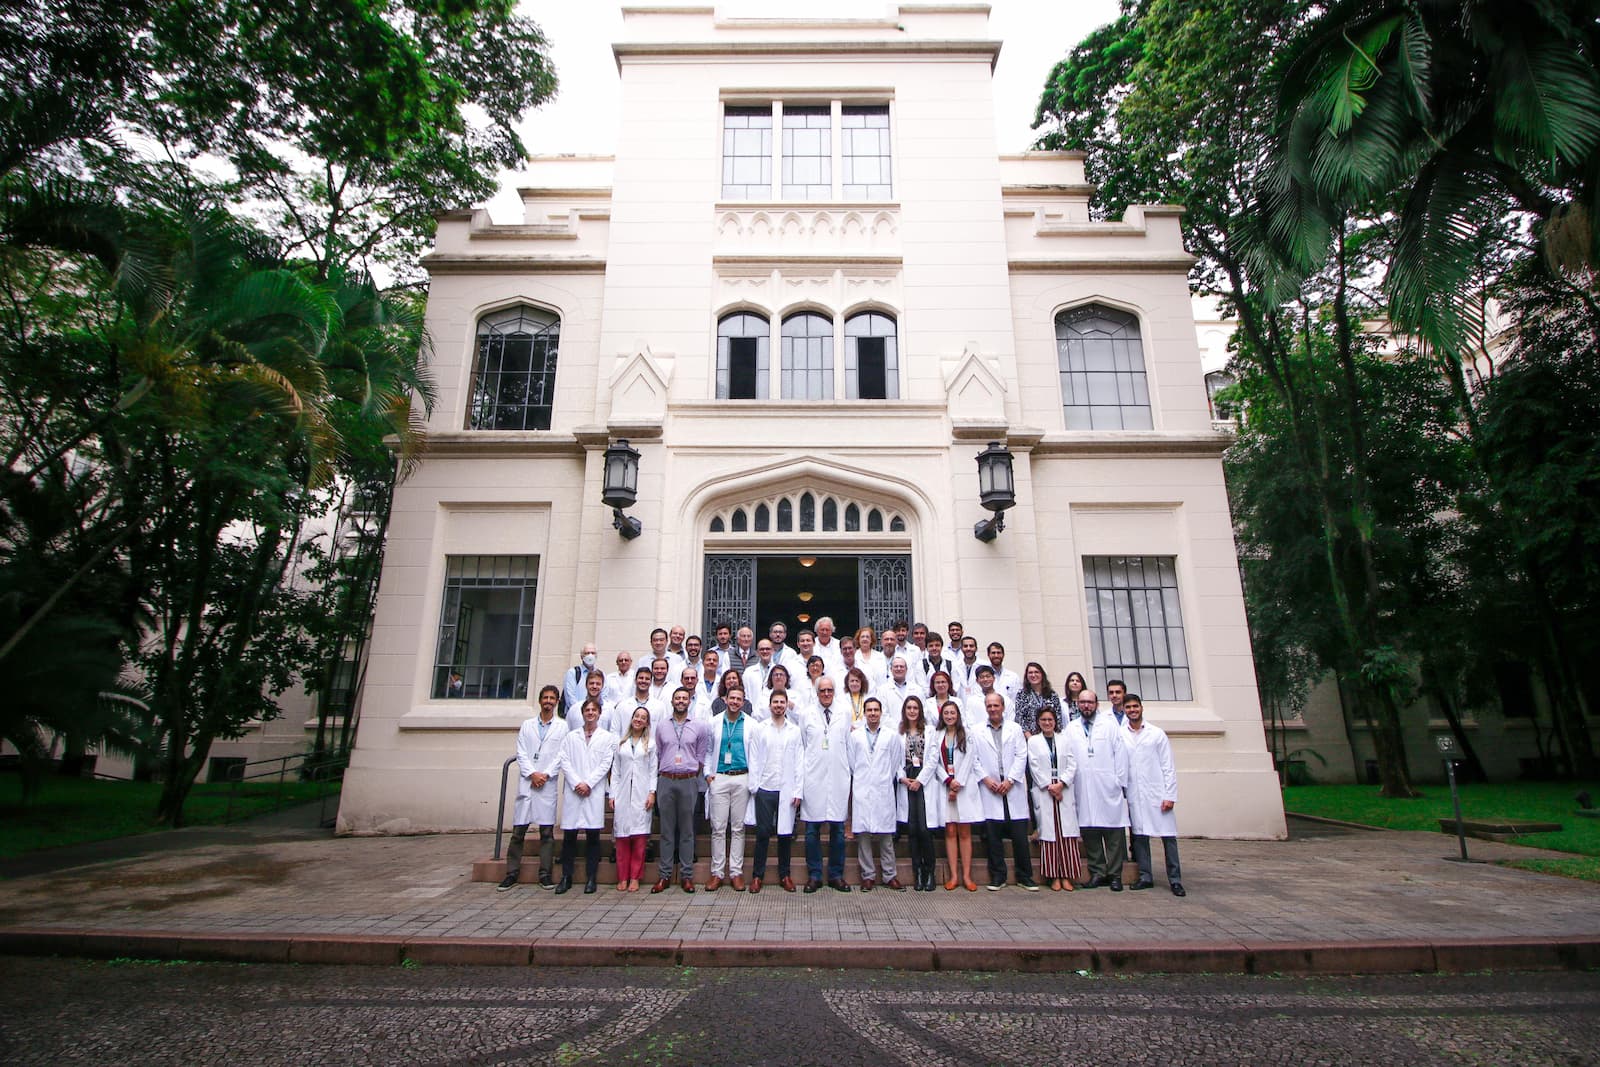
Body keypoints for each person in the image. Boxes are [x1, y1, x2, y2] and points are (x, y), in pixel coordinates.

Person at [499, 685, 568, 891]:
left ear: (556, 702)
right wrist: (532, 774)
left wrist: (545, 774)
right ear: (540, 701)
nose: (548, 701)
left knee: (546, 832)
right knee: (518, 831)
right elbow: (521, 752)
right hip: (528, 781)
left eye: (552, 698)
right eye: (545, 697)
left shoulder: (562, 727)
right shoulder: (527, 725)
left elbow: (561, 755)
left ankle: (545, 873)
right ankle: (511, 872)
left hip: (547, 782)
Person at [1123, 694, 1185, 896]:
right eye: (1128, 707)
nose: (1132, 710)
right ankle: (1145, 876)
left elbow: (1168, 766)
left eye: (1135, 706)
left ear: (1141, 708)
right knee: (1140, 837)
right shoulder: (1120, 734)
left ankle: (1175, 879)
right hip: (1135, 793)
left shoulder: (1157, 734)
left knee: (1168, 838)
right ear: (1124, 710)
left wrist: (1170, 795)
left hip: (1157, 793)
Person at [1067, 689, 1130, 891]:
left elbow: (1120, 754)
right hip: (1083, 785)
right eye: (1083, 702)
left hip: (1108, 784)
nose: (1086, 706)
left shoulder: (1109, 726)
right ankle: (1097, 872)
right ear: (1078, 704)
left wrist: (1118, 781)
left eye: (1090, 702)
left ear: (1096, 704)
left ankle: (1115, 874)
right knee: (1090, 830)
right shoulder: (1072, 728)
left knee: (1113, 833)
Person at [974, 691, 1036, 891]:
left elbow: (1021, 755)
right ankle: (998, 876)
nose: (993, 709)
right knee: (993, 836)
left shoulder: (1015, 729)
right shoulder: (977, 731)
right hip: (990, 785)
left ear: (1003, 707)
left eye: (996, 705)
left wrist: (1010, 780)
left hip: (1012, 785)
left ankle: (1024, 876)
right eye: (989, 706)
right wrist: (986, 779)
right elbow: (974, 759)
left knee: (1019, 836)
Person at [555, 698, 617, 894]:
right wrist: (576, 782)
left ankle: (591, 878)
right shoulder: (571, 737)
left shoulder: (606, 737)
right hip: (575, 790)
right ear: (582, 713)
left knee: (593, 836)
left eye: (594, 710)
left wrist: (589, 783)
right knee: (570, 836)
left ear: (599, 713)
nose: (590, 713)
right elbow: (564, 759)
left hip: (593, 790)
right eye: (587, 710)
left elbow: (606, 762)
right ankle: (566, 877)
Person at [653, 686, 709, 894]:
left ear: (689, 702)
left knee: (687, 830)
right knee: (666, 830)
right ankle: (664, 875)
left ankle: (686, 876)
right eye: (677, 698)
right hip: (666, 780)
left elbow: (701, 756)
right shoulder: (661, 726)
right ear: (672, 701)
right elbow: (658, 752)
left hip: (688, 780)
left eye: (684, 698)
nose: (681, 701)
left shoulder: (699, 726)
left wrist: (692, 772)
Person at [747, 690, 804, 893]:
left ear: (787, 704)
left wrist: (798, 790)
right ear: (770, 705)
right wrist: (754, 786)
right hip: (765, 787)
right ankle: (757, 876)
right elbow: (753, 758)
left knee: (785, 835)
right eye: (775, 702)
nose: (779, 705)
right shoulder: (760, 729)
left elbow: (799, 761)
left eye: (782, 702)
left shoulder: (794, 730)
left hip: (786, 790)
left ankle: (785, 875)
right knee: (762, 833)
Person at [799, 678, 852, 893]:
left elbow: (848, 743)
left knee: (838, 829)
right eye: (823, 690)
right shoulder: (806, 714)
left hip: (838, 775)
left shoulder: (845, 712)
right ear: (817, 692)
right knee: (812, 829)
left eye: (830, 690)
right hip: (814, 777)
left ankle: (836, 875)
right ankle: (814, 875)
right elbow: (803, 744)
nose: (827, 694)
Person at [848, 697, 904, 890]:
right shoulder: (855, 736)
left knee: (886, 836)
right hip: (863, 788)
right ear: (864, 713)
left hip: (882, 788)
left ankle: (890, 875)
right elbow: (852, 763)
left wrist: (881, 777)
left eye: (876, 710)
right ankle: (868, 876)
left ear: (881, 713)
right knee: (863, 835)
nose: (872, 713)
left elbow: (895, 761)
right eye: (869, 710)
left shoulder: (891, 735)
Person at [1027, 706, 1084, 891]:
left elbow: (1072, 762)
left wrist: (1061, 784)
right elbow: (1033, 765)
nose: (1047, 723)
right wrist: (1049, 786)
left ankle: (1067, 875)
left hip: (1063, 788)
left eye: (1050, 720)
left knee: (1066, 833)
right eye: (1043, 720)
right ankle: (1053, 876)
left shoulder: (1064, 739)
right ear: (1038, 722)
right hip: (1045, 789)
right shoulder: (1034, 741)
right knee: (1049, 834)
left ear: (1055, 721)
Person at [704, 687, 752, 891]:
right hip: (720, 777)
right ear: (725, 699)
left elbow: (755, 754)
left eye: (738, 699)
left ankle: (736, 872)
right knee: (718, 827)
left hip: (742, 777)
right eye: (731, 698)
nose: (734, 702)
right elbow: (707, 751)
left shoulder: (751, 724)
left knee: (739, 828)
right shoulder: (714, 722)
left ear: (743, 702)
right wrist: (708, 775)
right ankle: (717, 873)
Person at [932, 699, 982, 891]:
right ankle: (953, 876)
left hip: (963, 787)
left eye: (952, 713)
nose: (950, 716)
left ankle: (967, 876)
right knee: (950, 831)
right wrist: (948, 781)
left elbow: (970, 760)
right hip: (945, 786)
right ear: (942, 716)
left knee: (964, 831)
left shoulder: (967, 735)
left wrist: (957, 784)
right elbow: (934, 761)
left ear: (958, 715)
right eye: (946, 713)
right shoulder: (937, 735)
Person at [609, 705, 657, 893]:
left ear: (647, 723)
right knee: (622, 838)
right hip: (622, 793)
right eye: (636, 716)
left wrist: (652, 792)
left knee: (639, 838)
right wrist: (612, 794)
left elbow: (653, 770)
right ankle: (622, 877)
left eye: (642, 717)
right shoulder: (621, 744)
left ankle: (635, 877)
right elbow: (616, 771)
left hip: (641, 793)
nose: (638, 719)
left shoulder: (650, 744)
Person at [896, 695, 938, 891]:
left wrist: (920, 780)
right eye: (909, 708)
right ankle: (918, 872)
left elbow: (933, 758)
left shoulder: (929, 731)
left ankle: (930, 871)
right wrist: (902, 777)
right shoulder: (899, 732)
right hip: (907, 779)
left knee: (924, 828)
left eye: (915, 708)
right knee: (912, 829)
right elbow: (894, 758)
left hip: (923, 780)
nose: (912, 711)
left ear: (920, 711)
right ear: (904, 711)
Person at [1014, 662, 1062, 739]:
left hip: (1050, 736)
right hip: (1029, 738)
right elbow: (1019, 718)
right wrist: (1030, 738)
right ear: (1026, 676)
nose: (1033, 675)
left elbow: (1058, 718)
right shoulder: (1022, 694)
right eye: (1030, 673)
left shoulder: (1052, 695)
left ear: (1042, 675)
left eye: (1036, 672)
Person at [873, 654, 914, 730]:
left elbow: (922, 712)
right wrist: (898, 729)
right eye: (896, 666)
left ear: (906, 669)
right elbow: (883, 714)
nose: (899, 669)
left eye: (901, 666)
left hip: (913, 732)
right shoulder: (882, 690)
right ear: (891, 669)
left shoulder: (917, 689)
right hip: (891, 733)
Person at [560, 642, 598, 714]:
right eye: (587, 653)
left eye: (593, 653)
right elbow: (570, 699)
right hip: (576, 715)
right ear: (581, 656)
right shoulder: (573, 673)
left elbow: (603, 697)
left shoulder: (601, 675)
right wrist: (582, 714)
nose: (590, 655)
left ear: (596, 656)